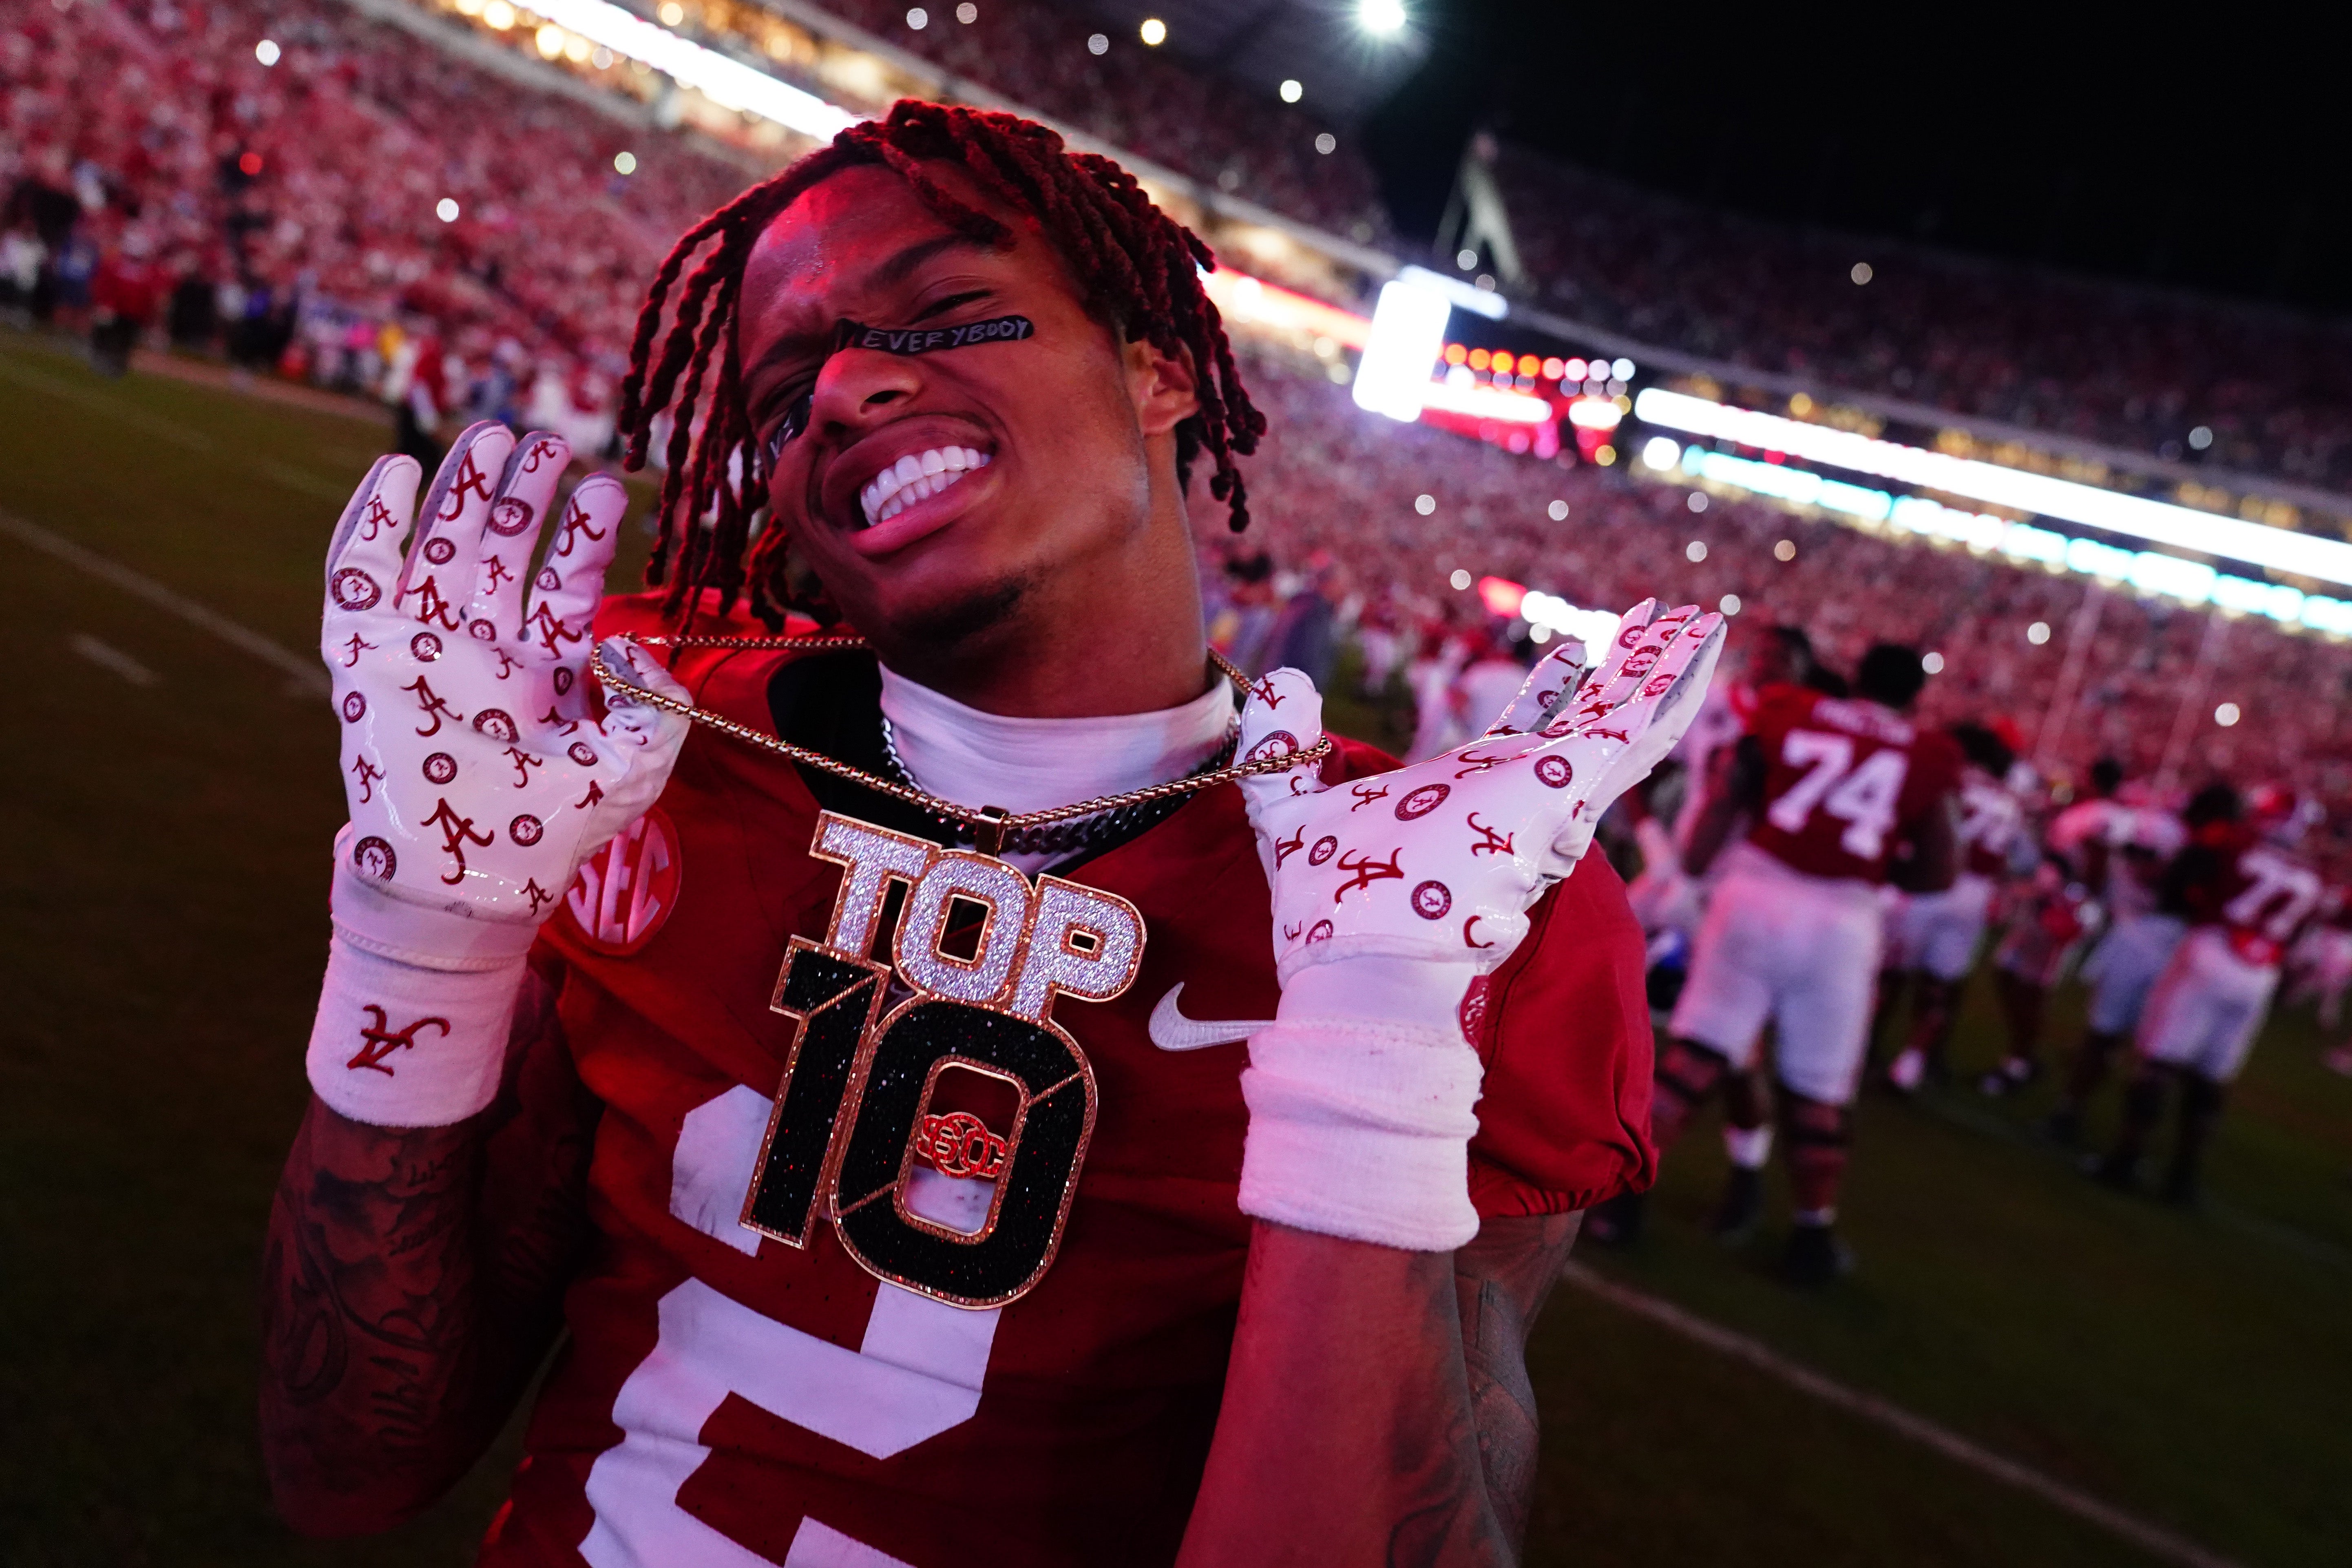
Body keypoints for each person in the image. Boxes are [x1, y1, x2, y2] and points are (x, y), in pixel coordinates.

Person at [260, 102, 1723, 1567]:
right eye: (783, 400)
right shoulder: (650, 760)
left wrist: (1372, 1045)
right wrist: (427, 931)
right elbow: (350, 1461)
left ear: (1156, 368)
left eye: (949, 316)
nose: (837, 392)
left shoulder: (1450, 906)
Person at [1591, 644, 1959, 1283]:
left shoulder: (1794, 711)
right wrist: (1875, 865)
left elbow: (1726, 802)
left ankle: (1620, 1204)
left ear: (1855, 677)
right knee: (1818, 1092)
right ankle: (1813, 1235)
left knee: (1694, 1058)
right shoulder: (1928, 752)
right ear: (1915, 698)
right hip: (1844, 917)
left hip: (1756, 893)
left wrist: (1700, 861)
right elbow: (1939, 868)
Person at [2092, 783, 2322, 1201]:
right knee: (2210, 1077)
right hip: (2259, 971)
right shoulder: (2310, 873)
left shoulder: (2231, 842)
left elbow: (2183, 885)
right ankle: (2183, 1177)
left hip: (2212, 948)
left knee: (2159, 1060)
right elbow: (2299, 933)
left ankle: (2125, 1158)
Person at [2043, 786, 2189, 1143]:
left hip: (2140, 934)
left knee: (2107, 1036)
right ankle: (2128, 1141)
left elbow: (2099, 842)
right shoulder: (2181, 836)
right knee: (2152, 1052)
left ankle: (2073, 1110)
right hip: (2170, 943)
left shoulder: (2149, 827)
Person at [1883, 723, 2021, 1092]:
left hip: (1938, 880)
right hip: (1976, 893)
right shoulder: (2007, 798)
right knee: (1939, 986)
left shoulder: (1957, 780)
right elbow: (2005, 856)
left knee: (1890, 973)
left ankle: (1862, 1047)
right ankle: (1911, 1064)